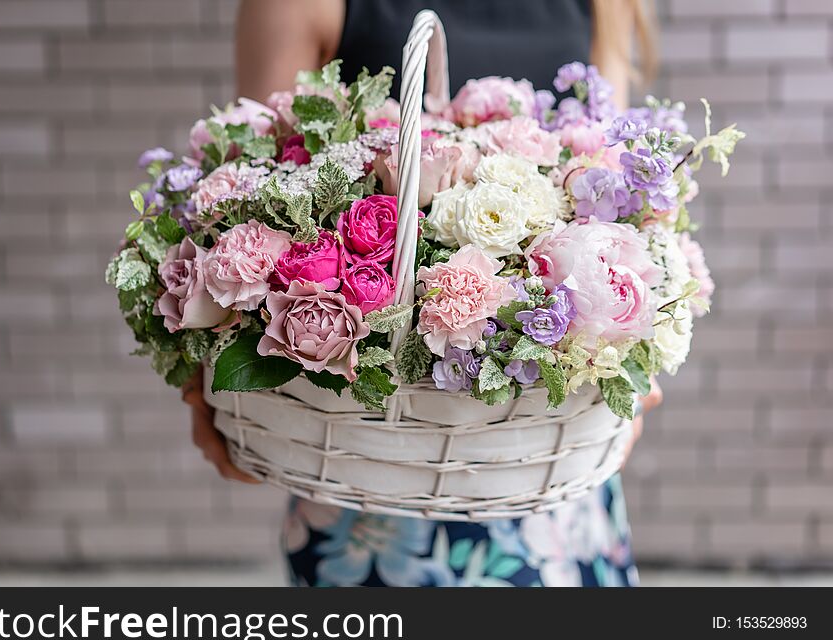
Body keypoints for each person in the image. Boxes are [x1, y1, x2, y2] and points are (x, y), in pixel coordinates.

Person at [181, 0, 663, 587]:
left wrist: (634, 351)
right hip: (376, 472)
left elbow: (613, 188)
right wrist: (203, 383)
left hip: (548, 461)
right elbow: (250, 196)